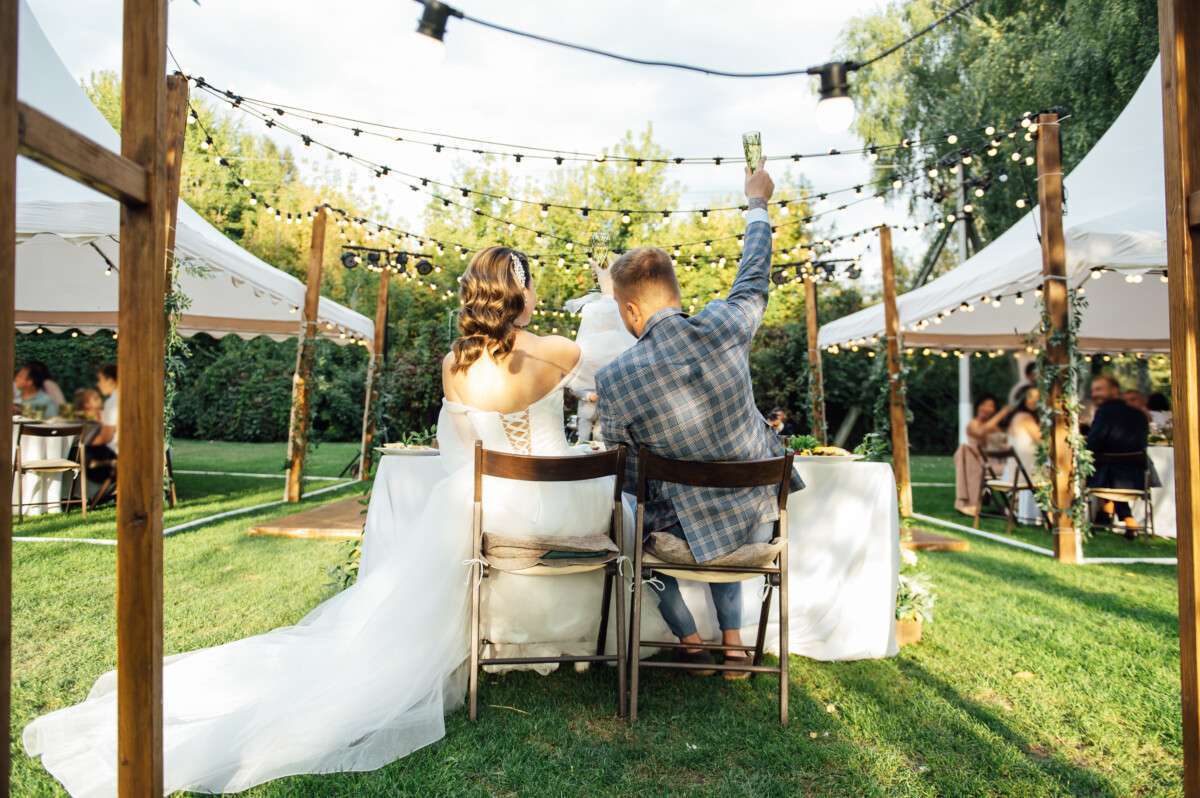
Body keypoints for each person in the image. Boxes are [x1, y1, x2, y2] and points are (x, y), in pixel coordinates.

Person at [24, 247, 622, 794]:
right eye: (532, 283)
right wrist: (532, 333)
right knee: (623, 512)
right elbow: (588, 365)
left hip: (484, 504)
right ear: (517, 294)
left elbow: (456, 454)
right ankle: (572, 642)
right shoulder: (557, 352)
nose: (538, 292)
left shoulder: (453, 366)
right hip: (558, 506)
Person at [595, 161, 803, 678]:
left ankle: (690, 641)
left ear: (629, 312)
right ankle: (734, 643)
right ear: (675, 292)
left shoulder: (616, 377)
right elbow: (753, 278)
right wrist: (757, 205)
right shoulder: (725, 326)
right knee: (718, 499)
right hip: (757, 519)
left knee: (632, 514)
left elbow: (628, 471)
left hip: (683, 536)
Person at [1087, 375, 1150, 534]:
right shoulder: (1139, 415)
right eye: (1093, 390)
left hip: (1108, 479)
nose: (1094, 394)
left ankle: (1108, 516)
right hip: (1137, 478)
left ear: (1114, 390)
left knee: (1094, 465)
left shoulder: (1105, 412)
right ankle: (1109, 516)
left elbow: (1094, 443)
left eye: (1099, 389)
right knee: (1106, 466)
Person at [953, 394, 1015, 516]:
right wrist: (1002, 414)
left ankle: (1015, 506)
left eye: (990, 406)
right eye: (983, 404)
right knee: (964, 450)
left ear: (994, 410)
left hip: (997, 463)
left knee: (1015, 466)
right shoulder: (973, 424)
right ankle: (970, 503)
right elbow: (980, 432)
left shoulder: (995, 427)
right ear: (978, 406)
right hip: (977, 462)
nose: (986, 408)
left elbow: (1006, 445)